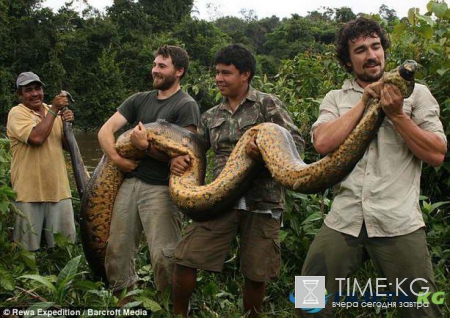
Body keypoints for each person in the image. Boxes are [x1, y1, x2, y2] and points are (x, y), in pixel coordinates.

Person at [299, 17, 447, 317]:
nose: (371, 55)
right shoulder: (335, 99)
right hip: (345, 217)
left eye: (376, 46)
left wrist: (398, 115)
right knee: (307, 300)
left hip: (398, 220)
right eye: (360, 50)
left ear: (384, 49)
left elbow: (436, 154)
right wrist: (365, 101)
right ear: (348, 60)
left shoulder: (416, 94)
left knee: (422, 310)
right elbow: (323, 143)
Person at [170, 44, 305, 318]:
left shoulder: (268, 105)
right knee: (186, 258)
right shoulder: (211, 116)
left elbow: (296, 146)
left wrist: (263, 153)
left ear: (245, 75)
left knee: (256, 272)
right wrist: (178, 161)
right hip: (220, 200)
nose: (218, 78)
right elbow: (195, 153)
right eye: (217, 72)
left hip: (262, 200)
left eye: (226, 73)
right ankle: (178, 314)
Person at [97, 45, 200, 298]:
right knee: (117, 249)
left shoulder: (186, 105)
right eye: (154, 64)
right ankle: (125, 303)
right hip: (130, 183)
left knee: (164, 254)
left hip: (162, 188)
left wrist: (144, 147)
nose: (155, 70)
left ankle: (168, 305)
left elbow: (185, 157)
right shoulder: (138, 100)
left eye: (162, 66)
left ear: (179, 71)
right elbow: (105, 131)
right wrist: (116, 159)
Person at [7, 72, 76, 251]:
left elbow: (68, 147)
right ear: (20, 95)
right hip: (28, 193)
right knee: (27, 252)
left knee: (64, 249)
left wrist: (68, 124)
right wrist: (54, 110)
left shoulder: (51, 112)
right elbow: (36, 138)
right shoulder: (17, 113)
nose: (35, 93)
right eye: (28, 90)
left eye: (37, 88)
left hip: (58, 190)